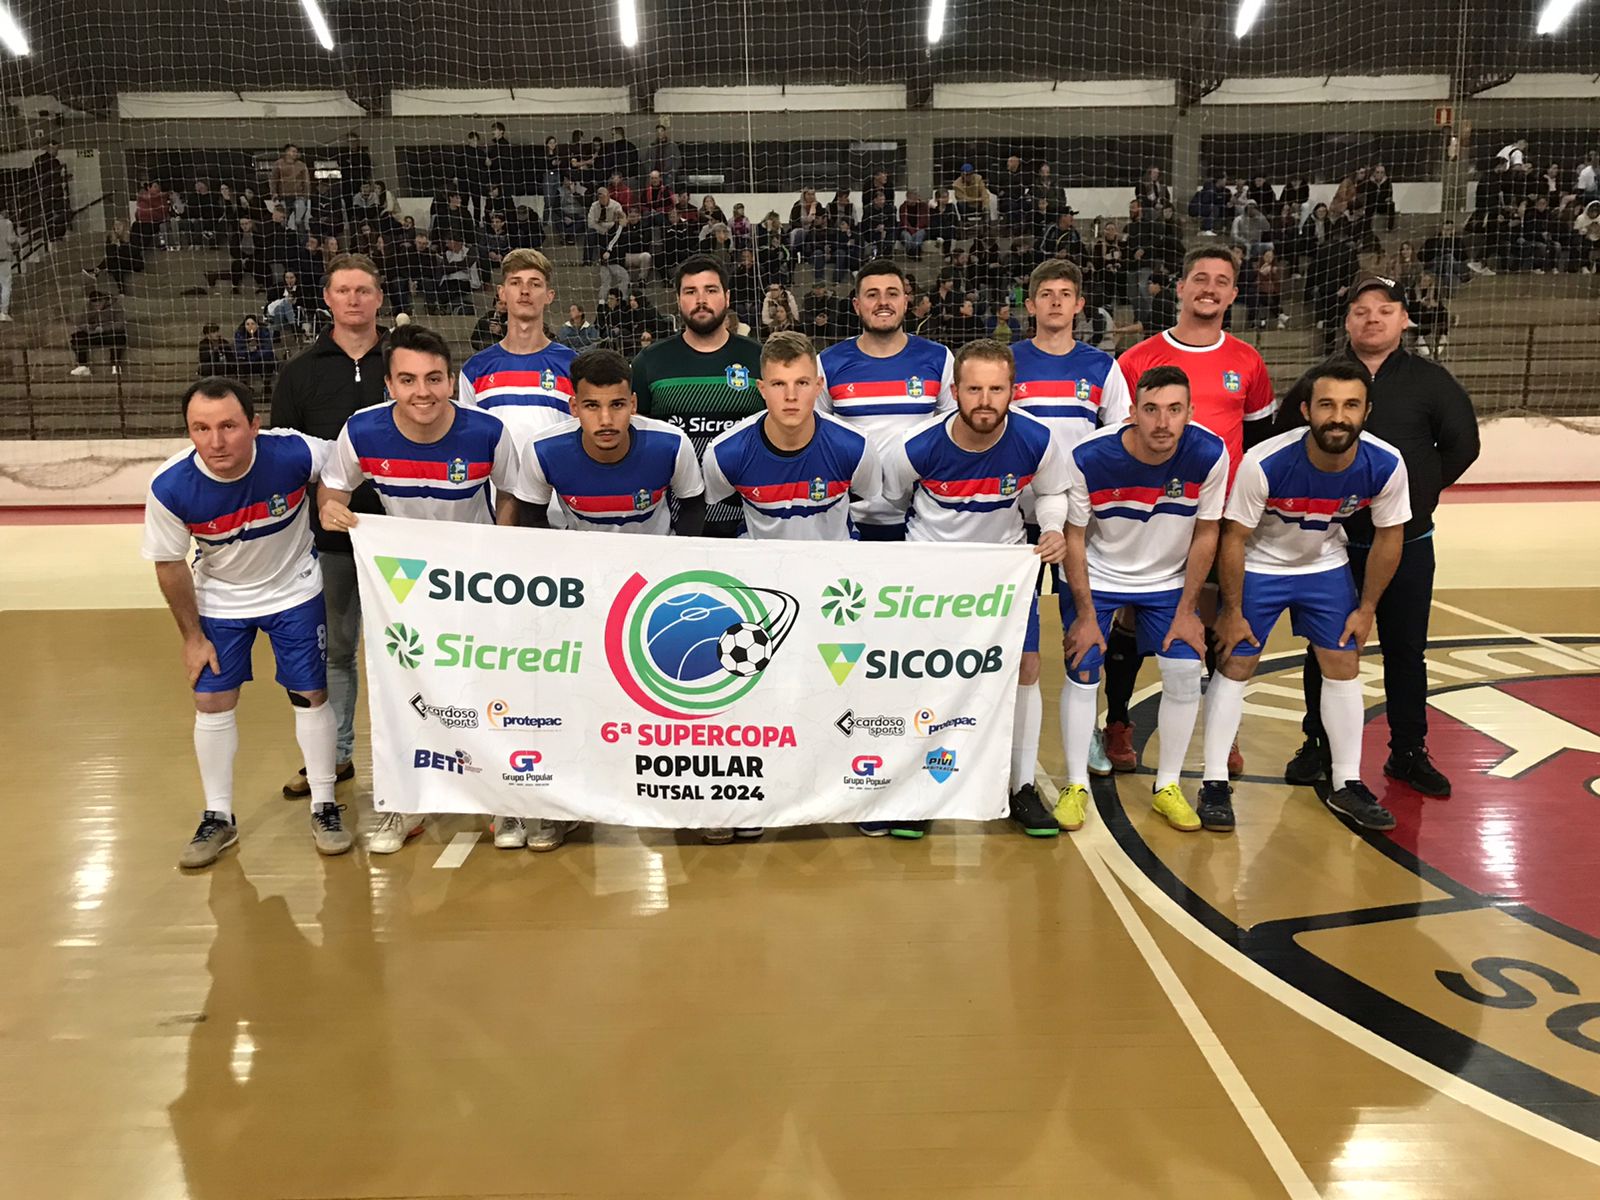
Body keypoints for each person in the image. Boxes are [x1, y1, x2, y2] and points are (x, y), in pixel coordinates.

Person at [315, 322, 523, 854]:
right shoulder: (362, 431)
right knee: (406, 691)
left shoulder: (488, 432)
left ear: (452, 381)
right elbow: (333, 488)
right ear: (389, 384)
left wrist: (501, 548)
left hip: (476, 585)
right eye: (407, 380)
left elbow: (512, 493)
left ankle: (504, 799)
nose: (422, 392)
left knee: (489, 688)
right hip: (404, 588)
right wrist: (331, 510)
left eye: (434, 378)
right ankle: (407, 800)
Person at [1276, 275, 1480, 798]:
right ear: (1347, 321)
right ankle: (1318, 743)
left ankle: (1408, 750)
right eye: (1361, 310)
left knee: (1406, 651)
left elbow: (1463, 446)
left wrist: (1414, 496)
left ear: (1404, 320)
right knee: (1325, 648)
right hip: (1331, 544)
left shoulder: (1432, 382)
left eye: (1385, 310)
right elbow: (1283, 441)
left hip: (1407, 543)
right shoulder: (1320, 380)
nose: (1372, 319)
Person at [144, 376, 348, 868]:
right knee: (211, 700)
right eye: (201, 428)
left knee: (310, 693)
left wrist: (328, 501)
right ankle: (218, 816)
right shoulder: (170, 486)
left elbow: (344, 461)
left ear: (254, 425)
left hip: (294, 589)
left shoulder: (294, 452)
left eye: (229, 426)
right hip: (219, 599)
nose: (216, 441)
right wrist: (192, 638)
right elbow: (169, 564)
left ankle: (324, 805)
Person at [1203, 361, 1411, 833]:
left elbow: (1390, 536)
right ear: (1306, 411)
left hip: (1324, 564)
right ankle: (1214, 781)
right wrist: (1231, 611)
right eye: (1327, 405)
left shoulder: (1386, 462)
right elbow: (1233, 537)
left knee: (1343, 664)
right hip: (1260, 564)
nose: (1338, 416)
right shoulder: (1265, 462)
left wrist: (1367, 609)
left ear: (1366, 412)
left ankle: (1346, 782)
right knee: (1236, 664)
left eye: (1351, 405)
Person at [512, 348, 706, 848]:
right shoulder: (544, 451)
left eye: (617, 405)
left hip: (656, 592)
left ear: (633, 405)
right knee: (571, 702)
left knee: (673, 701)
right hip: (584, 591)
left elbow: (692, 511)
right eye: (592, 406)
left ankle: (689, 802)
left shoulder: (670, 444)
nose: (606, 419)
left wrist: (670, 576)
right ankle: (564, 807)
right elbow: (529, 522)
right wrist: (569, 581)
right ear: (573, 407)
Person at [880, 339, 1070, 840]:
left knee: (1026, 668)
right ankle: (917, 791)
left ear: (1013, 390)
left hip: (1005, 572)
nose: (985, 401)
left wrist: (1052, 527)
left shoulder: (1037, 439)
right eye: (974, 389)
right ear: (954, 391)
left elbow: (1052, 492)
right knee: (926, 676)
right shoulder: (915, 446)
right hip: (932, 575)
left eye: (996, 389)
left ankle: (1022, 786)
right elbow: (896, 500)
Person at [1103, 246, 1276, 773]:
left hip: (1218, 516)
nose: (1210, 288)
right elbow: (1116, 436)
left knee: (1222, 616)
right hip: (1151, 512)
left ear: (1233, 294)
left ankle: (1224, 731)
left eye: (1221, 280)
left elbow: (1260, 442)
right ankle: (1117, 721)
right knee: (1132, 616)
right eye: (1200, 277)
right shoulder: (1138, 359)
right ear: (1180, 288)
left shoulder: (1247, 361)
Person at [1056, 366, 1229, 833]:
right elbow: (1073, 537)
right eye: (1151, 410)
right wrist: (1086, 614)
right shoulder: (1089, 456)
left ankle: (1167, 786)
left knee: (1185, 672)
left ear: (1190, 412)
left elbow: (1207, 532)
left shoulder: (1210, 453)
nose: (1163, 422)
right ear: (1132, 412)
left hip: (1167, 580)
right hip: (1098, 573)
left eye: (1175, 410)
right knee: (1083, 667)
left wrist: (1189, 610)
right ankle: (1075, 785)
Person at [269, 253, 387, 801]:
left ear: (379, 298)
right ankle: (334, 756)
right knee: (337, 652)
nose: (354, 299)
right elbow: (285, 456)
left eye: (363, 290)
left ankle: (427, 755)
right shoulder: (300, 371)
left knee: (415, 652)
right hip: (332, 542)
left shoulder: (405, 362)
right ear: (327, 299)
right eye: (344, 290)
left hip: (404, 540)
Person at [1011, 259, 1134, 776]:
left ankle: (1086, 736)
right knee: (1011, 632)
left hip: (1080, 519)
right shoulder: (1009, 361)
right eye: (1046, 293)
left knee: (1083, 625)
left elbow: (1120, 436)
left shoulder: (1103, 367)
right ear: (1030, 305)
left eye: (1066, 293)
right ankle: (999, 734)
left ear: (1080, 305)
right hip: (1015, 515)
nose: (1056, 301)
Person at [816, 258, 955, 543]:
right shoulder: (828, 363)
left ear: (905, 301)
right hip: (849, 520)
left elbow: (954, 434)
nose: (883, 302)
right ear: (857, 305)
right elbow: (816, 439)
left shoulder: (939, 358)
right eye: (872, 294)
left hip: (923, 521)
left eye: (892, 293)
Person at [630, 254, 764, 538]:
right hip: (673, 520)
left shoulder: (758, 357)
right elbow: (638, 438)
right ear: (678, 300)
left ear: (727, 297)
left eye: (710, 290)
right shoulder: (649, 362)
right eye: (690, 292)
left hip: (747, 520)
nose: (701, 300)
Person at [455, 248, 576, 446]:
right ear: (502, 293)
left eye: (535, 284)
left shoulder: (573, 365)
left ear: (549, 295)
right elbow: (469, 440)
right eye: (515, 282)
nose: (525, 291)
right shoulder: (474, 370)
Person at [68, 289, 127, 378]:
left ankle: (116, 365)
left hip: (109, 334)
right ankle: (83, 366)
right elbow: (82, 322)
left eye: (99, 304)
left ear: (103, 300)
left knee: (119, 336)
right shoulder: (88, 307)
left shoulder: (115, 306)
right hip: (94, 334)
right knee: (77, 337)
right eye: (94, 305)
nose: (97, 307)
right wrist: (89, 329)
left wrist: (103, 328)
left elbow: (120, 324)